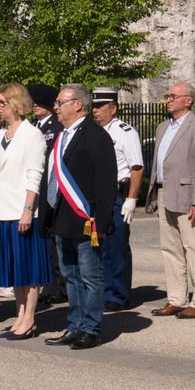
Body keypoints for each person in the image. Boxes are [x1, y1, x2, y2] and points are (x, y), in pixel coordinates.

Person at [41, 84, 117, 350]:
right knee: (70, 275)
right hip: (62, 218)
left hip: (87, 219)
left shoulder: (96, 136)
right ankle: (74, 325)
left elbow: (107, 182)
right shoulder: (62, 136)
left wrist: (102, 218)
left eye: (61, 102)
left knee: (90, 275)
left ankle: (91, 328)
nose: (56, 107)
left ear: (78, 104)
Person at [144, 81, 195, 319]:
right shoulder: (163, 127)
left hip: (188, 197)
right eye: (167, 95)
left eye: (173, 96)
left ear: (189, 100)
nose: (168, 99)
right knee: (170, 249)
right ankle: (176, 298)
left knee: (194, 248)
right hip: (165, 193)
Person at [0, 83, 50, 339]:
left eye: (2, 102)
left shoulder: (32, 134)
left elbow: (35, 175)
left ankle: (30, 318)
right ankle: (19, 314)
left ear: (15, 103)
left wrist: (27, 210)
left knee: (28, 268)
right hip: (1, 209)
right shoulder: (1, 135)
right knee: (13, 268)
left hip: (22, 210)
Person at [91, 87, 144, 311]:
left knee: (116, 245)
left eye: (100, 107)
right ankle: (104, 290)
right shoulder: (95, 131)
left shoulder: (124, 132)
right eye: (93, 106)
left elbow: (137, 167)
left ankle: (118, 295)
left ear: (113, 108)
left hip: (117, 194)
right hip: (98, 196)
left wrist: (131, 198)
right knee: (98, 245)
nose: (95, 111)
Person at [28, 84, 66, 305]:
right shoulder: (35, 126)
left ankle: (58, 287)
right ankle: (49, 283)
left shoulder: (56, 125)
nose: (34, 106)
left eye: (38, 102)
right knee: (43, 240)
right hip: (38, 189)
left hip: (52, 189)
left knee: (53, 241)